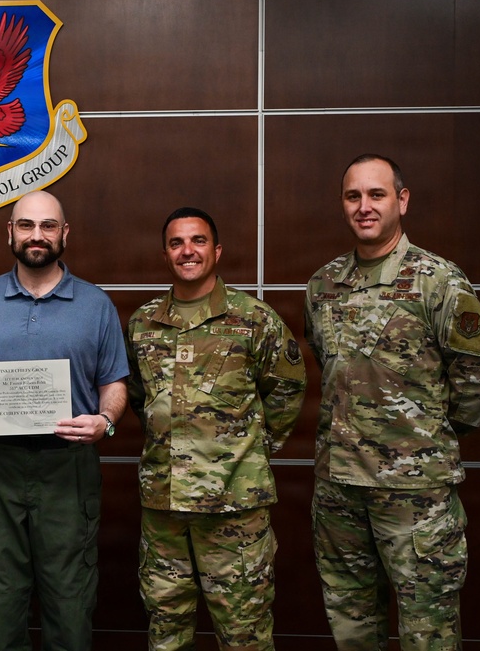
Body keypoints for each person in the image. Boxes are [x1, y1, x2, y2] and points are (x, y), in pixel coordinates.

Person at [305, 154, 480, 651]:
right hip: (339, 490)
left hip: (416, 494)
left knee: (427, 632)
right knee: (352, 628)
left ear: (402, 200)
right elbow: (329, 366)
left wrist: (430, 436)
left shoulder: (437, 280)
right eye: (353, 196)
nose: (364, 206)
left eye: (377, 194)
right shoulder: (322, 285)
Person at [0, 190, 129, 651]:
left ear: (65, 234)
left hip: (68, 467)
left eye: (48, 225)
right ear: (10, 232)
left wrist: (105, 420)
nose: (37, 235)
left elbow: (114, 384)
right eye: (26, 225)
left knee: (70, 602)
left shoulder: (96, 304)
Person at [125, 207, 306, 651]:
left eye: (198, 240)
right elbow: (138, 396)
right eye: (176, 243)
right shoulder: (142, 323)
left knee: (244, 634)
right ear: (165, 255)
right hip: (164, 510)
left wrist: (249, 452)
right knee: (166, 631)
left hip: (235, 509)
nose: (187, 250)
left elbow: (287, 390)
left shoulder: (254, 318)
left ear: (217, 250)